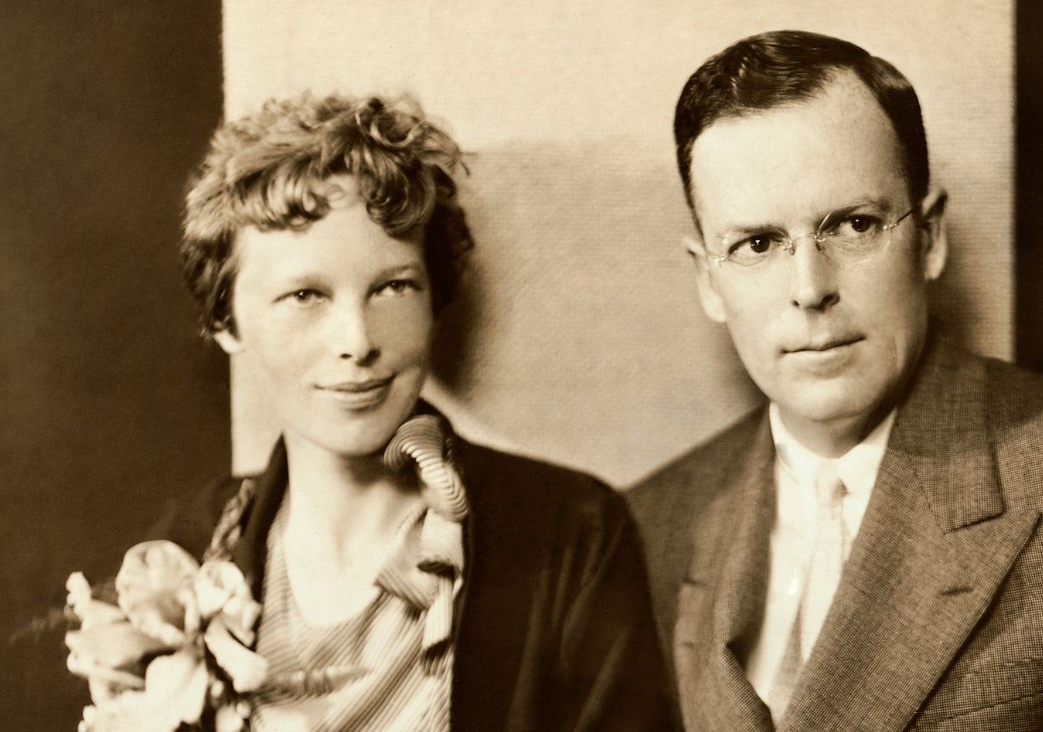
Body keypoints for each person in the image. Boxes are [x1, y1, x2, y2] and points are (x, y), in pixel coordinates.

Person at [627, 30, 1043, 731]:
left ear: (929, 238)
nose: (809, 288)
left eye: (854, 224)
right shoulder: (653, 521)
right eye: (758, 243)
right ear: (707, 279)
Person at [71, 93, 676, 731]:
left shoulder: (569, 532)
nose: (357, 341)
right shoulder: (183, 550)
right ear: (226, 320)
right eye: (305, 294)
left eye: (393, 287)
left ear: (435, 294)